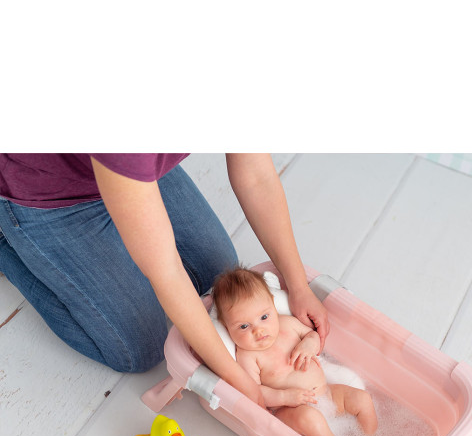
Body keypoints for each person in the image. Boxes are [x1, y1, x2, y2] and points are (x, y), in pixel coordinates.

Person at [0, 153, 329, 408]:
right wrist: (235, 378)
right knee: (139, 348)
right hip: (52, 190)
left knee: (221, 282)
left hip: (132, 171)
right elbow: (164, 268)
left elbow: (256, 176)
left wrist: (298, 285)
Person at [212, 266, 377, 436]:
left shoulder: (287, 325)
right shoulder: (247, 357)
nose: (259, 330)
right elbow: (254, 392)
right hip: (291, 410)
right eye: (244, 326)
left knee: (362, 399)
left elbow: (313, 335)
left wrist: (308, 344)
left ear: (272, 305)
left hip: (327, 393)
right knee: (309, 419)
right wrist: (285, 397)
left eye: (264, 317)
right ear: (227, 327)